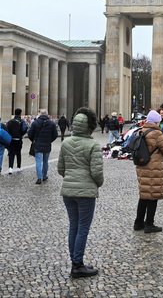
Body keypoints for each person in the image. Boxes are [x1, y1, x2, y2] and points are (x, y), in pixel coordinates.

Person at [58, 107, 104, 278]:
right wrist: (97, 184)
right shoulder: (93, 145)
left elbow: (60, 169)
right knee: (83, 228)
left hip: (68, 192)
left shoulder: (65, 143)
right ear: (90, 126)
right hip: (85, 193)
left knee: (74, 226)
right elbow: (97, 173)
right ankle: (77, 265)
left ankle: (75, 261)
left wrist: (70, 177)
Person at [134, 110, 163, 233]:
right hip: (153, 167)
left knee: (144, 196)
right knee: (153, 197)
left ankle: (138, 222)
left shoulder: (141, 131)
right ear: (156, 121)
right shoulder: (156, 133)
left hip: (142, 166)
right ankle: (149, 224)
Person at [28, 109, 58, 184]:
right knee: (45, 161)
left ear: (40, 114)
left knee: (38, 161)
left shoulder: (35, 122)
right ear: (47, 114)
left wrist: (34, 140)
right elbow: (55, 135)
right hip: (47, 145)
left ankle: (39, 178)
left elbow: (30, 134)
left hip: (38, 144)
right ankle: (44, 176)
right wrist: (50, 140)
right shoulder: (52, 123)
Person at [6, 108, 28, 174]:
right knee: (18, 153)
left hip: (11, 139)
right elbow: (24, 129)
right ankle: (18, 167)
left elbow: (7, 129)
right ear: (20, 113)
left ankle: (10, 168)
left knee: (11, 153)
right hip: (18, 139)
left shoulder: (10, 121)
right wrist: (21, 134)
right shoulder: (22, 121)